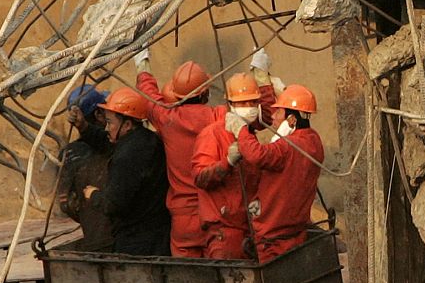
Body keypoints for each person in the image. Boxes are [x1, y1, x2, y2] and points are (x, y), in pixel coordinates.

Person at [133, 48, 277, 258]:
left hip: (184, 218)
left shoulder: (167, 118)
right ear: (205, 93)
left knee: (188, 276)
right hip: (218, 214)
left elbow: (148, 95)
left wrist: (142, 62)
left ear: (175, 94)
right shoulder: (221, 117)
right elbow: (263, 116)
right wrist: (260, 74)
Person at [236, 84, 324, 263]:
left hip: (273, 236)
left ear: (291, 119)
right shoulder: (313, 140)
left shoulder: (287, 147)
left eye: (278, 112)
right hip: (296, 232)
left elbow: (256, 155)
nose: (273, 116)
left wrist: (241, 130)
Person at [80, 87, 171, 256]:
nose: (106, 128)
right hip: (159, 235)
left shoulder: (127, 156)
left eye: (110, 122)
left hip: (136, 244)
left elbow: (113, 204)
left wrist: (93, 195)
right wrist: (84, 128)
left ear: (127, 124)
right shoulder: (148, 139)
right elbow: (108, 142)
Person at [191, 72, 266, 260]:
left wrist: (258, 200)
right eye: (242, 103)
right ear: (230, 104)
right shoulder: (212, 134)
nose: (248, 108)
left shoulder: (249, 137)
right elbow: (200, 177)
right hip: (224, 233)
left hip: (249, 231)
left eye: (252, 102)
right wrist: (228, 162)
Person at [59, 85, 115, 252]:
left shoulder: (68, 153)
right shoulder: (119, 146)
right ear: (98, 114)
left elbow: (66, 204)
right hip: (121, 239)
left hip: (93, 240)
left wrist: (89, 216)